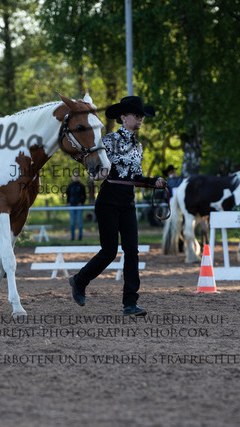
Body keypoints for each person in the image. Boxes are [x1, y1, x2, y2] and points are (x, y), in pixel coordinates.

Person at [69, 96, 166, 316]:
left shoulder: (138, 146)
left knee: (132, 251)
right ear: (123, 117)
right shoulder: (109, 140)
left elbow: (135, 176)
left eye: (141, 116)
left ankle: (130, 303)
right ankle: (79, 280)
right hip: (108, 200)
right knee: (109, 252)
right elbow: (95, 165)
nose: (140, 119)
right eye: (136, 115)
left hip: (128, 202)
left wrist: (154, 182)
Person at [66, 170, 86, 240]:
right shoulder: (70, 186)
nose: (75, 177)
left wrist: (81, 202)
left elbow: (84, 196)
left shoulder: (81, 186)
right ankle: (72, 237)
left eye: (76, 176)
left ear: (78, 177)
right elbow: (67, 195)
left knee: (79, 222)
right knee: (72, 222)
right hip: (71, 206)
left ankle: (80, 236)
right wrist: (68, 202)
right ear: (72, 177)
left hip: (79, 207)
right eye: (74, 176)